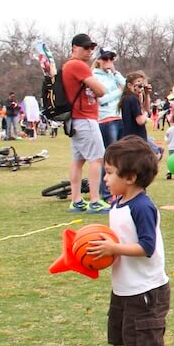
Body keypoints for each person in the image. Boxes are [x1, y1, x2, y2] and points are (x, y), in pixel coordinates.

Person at [91, 135, 170, 346]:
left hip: (147, 285)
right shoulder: (117, 203)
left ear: (131, 177)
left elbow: (146, 246)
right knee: (128, 330)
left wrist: (114, 250)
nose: (105, 178)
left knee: (149, 332)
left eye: (110, 173)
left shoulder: (143, 207)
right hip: (124, 283)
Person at [62, 34, 111, 213]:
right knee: (97, 158)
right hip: (84, 118)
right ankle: (95, 200)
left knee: (78, 159)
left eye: (91, 48)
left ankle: (76, 199)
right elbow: (101, 90)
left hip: (75, 119)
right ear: (75, 47)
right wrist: (95, 83)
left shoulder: (69, 66)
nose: (89, 51)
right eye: (85, 47)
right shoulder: (77, 65)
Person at [94, 50, 126, 202]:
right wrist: (118, 93)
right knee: (108, 157)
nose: (108, 61)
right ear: (99, 60)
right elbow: (101, 99)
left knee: (119, 157)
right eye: (105, 58)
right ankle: (106, 193)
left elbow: (127, 86)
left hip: (118, 116)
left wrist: (115, 72)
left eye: (111, 58)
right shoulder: (94, 76)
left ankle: (117, 189)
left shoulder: (112, 76)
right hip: (105, 119)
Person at [120, 71, 163, 158]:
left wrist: (146, 95)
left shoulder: (129, 98)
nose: (141, 88)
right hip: (136, 138)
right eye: (139, 85)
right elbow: (140, 120)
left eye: (142, 86)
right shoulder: (132, 99)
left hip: (130, 138)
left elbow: (145, 108)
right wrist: (146, 114)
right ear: (129, 85)